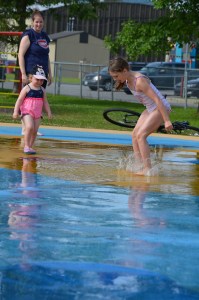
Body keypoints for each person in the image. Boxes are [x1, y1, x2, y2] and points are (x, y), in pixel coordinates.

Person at [108, 57, 173, 176]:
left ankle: (147, 169)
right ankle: (140, 165)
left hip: (160, 108)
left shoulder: (139, 81)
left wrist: (167, 120)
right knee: (134, 135)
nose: (115, 79)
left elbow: (158, 100)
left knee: (141, 136)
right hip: (150, 109)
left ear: (124, 70)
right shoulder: (128, 81)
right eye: (113, 77)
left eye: (116, 76)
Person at [18, 9, 52, 136]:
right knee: (27, 99)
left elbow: (47, 56)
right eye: (37, 22)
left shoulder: (44, 37)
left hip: (42, 74)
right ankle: (25, 127)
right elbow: (20, 55)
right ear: (32, 22)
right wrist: (23, 73)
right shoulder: (28, 35)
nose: (39, 24)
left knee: (39, 99)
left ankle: (34, 127)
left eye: (41, 22)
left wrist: (50, 73)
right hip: (30, 73)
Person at [13, 65, 52, 154]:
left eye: (41, 80)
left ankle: (30, 146)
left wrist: (49, 112)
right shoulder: (27, 88)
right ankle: (26, 146)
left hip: (37, 113)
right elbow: (19, 100)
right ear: (30, 78)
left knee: (35, 130)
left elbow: (45, 102)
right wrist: (16, 111)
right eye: (37, 79)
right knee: (29, 127)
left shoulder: (42, 89)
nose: (39, 82)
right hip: (27, 111)